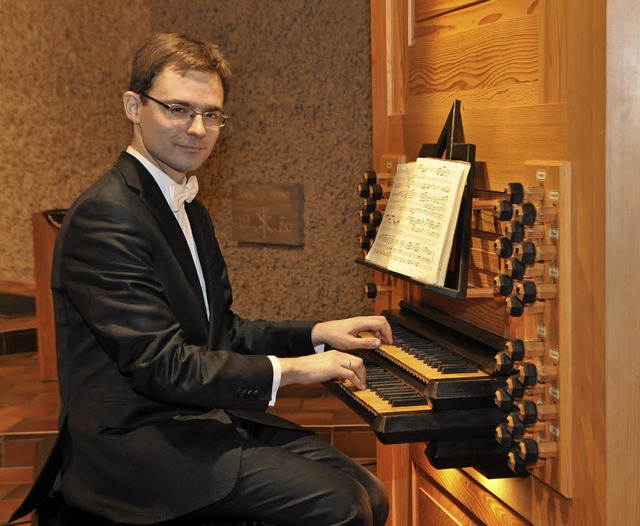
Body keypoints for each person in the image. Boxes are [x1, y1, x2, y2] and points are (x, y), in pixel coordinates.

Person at [10, 33, 391, 526]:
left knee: (370, 493)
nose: (197, 129)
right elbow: (163, 367)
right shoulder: (107, 216)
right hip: (136, 445)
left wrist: (317, 335)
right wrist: (296, 370)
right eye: (178, 109)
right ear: (133, 106)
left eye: (212, 115)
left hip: (195, 420)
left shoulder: (188, 207)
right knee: (339, 505)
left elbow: (222, 333)